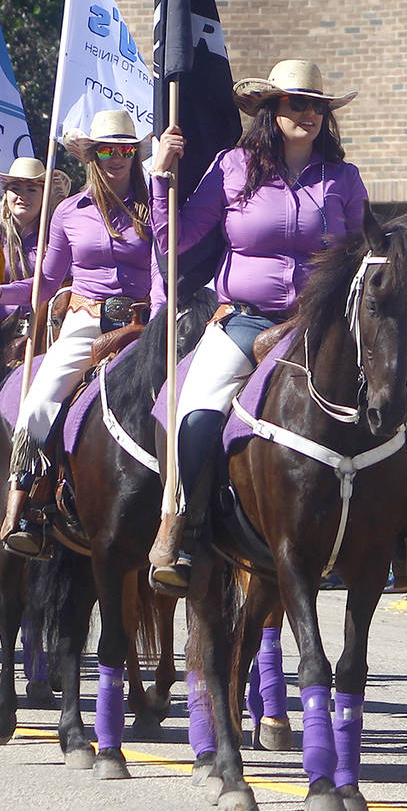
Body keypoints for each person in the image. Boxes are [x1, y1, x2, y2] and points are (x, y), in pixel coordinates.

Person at [149, 60, 368, 593]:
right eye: (298, 103)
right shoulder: (232, 167)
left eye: (318, 105)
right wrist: (159, 177)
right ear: (272, 110)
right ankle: (184, 524)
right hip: (245, 323)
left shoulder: (344, 179)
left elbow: (370, 249)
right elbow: (172, 242)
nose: (310, 114)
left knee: (406, 411)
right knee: (196, 421)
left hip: (325, 328)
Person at [0, 116, 145, 557]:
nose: (116, 158)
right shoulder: (68, 212)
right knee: (38, 402)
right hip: (85, 322)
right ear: (90, 156)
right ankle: (22, 503)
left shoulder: (155, 205)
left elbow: (162, 270)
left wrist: (155, 315)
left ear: (135, 155)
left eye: (125, 150)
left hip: (143, 322)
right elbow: (44, 282)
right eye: (106, 150)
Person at [0, 155, 70, 282]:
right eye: (15, 189)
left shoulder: (58, 238)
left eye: (31, 190)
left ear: (45, 196)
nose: (23, 196)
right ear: (6, 194)